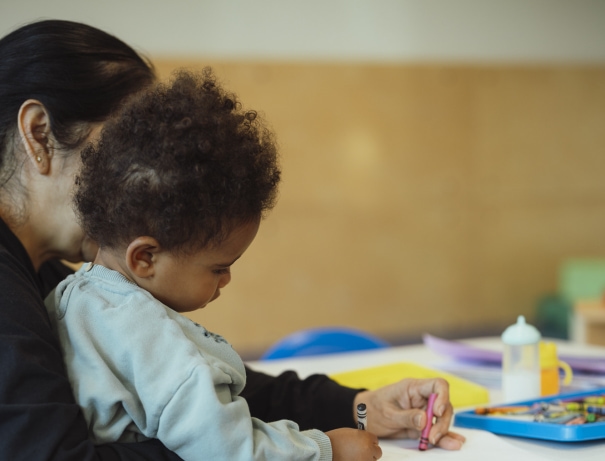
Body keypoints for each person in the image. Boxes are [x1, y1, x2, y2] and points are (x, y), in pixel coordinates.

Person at [0, 19, 463, 461]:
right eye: (121, 149)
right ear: (40, 134)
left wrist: (358, 407)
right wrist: (289, 448)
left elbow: (196, 383)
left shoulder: (61, 282)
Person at [45, 69, 385, 461]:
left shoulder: (72, 296)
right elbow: (227, 446)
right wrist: (325, 448)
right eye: (219, 267)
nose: (227, 279)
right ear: (145, 258)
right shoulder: (151, 338)